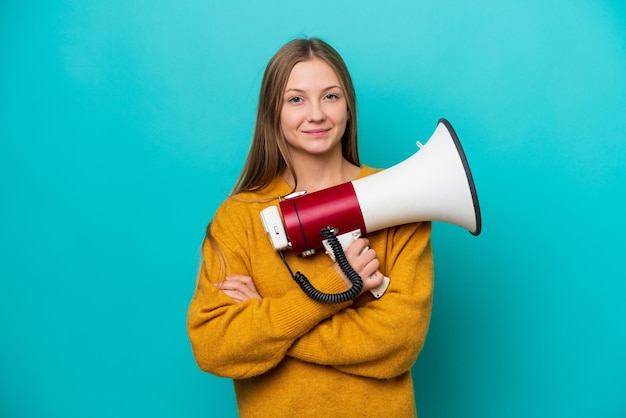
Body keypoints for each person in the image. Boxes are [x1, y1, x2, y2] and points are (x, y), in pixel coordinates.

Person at [187, 37, 434, 417]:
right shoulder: (239, 217)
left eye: (331, 96)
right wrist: (329, 291)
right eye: (296, 99)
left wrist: (267, 318)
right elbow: (215, 345)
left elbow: (397, 344)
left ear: (349, 105)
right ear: (273, 112)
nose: (316, 114)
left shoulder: (402, 199)